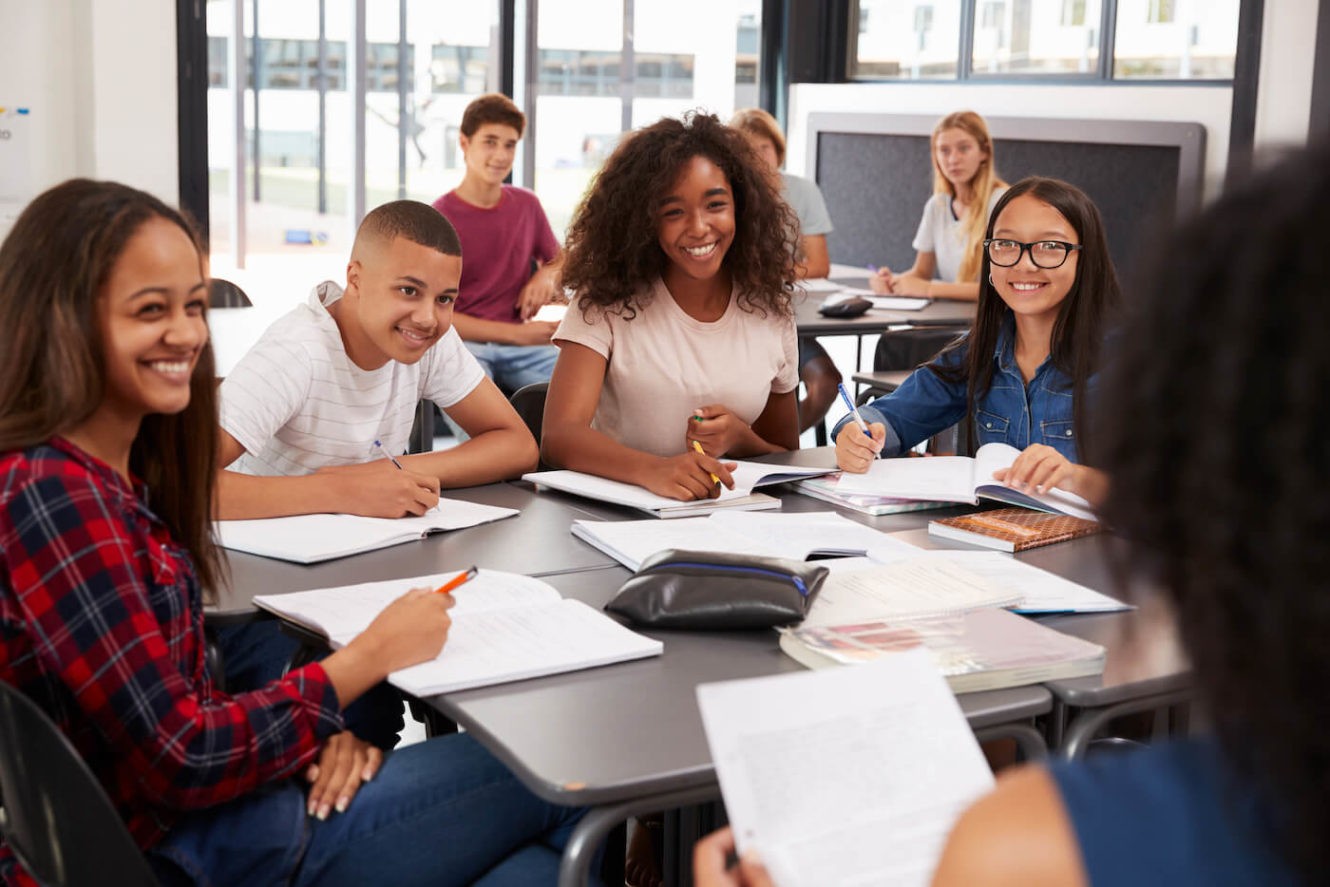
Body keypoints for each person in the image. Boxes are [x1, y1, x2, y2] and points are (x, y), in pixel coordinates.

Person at [0, 178, 585, 886]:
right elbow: (183, 753)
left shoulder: (95, 476)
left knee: (530, 866)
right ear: (65, 319)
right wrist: (360, 662)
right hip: (194, 850)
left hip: (220, 810)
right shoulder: (56, 497)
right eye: (151, 309)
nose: (187, 332)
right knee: (559, 776)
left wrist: (316, 734)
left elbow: (175, 702)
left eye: (192, 305)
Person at [217, 198, 538, 521]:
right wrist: (340, 490)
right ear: (355, 280)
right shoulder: (295, 351)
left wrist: (388, 471)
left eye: (444, 299)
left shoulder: (428, 340)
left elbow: (518, 445)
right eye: (409, 291)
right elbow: (174, 485)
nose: (428, 318)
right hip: (268, 551)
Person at [542, 111, 801, 502]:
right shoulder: (606, 301)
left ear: (741, 207)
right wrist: (654, 470)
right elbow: (559, 437)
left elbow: (787, 451)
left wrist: (739, 436)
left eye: (715, 205)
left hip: (735, 520)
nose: (698, 228)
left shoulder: (771, 308)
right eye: (673, 212)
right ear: (644, 221)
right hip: (620, 518)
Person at [834, 176, 1115, 507]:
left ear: (1085, 258)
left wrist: (1075, 478)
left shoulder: (1127, 362)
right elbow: (891, 417)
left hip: (1092, 553)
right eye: (1006, 244)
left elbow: (1168, 497)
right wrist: (856, 436)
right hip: (991, 544)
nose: (1025, 263)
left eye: (1050, 246)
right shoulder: (980, 350)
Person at [432, 93, 564, 397]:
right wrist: (518, 335)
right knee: (486, 426)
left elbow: (560, 259)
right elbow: (435, 313)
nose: (501, 155)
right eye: (490, 142)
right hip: (463, 347)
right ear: (464, 144)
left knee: (587, 392)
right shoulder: (440, 217)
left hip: (524, 350)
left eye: (510, 144)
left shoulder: (526, 205)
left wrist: (546, 274)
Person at [730, 107, 843, 436]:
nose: (756, 158)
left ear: (778, 150)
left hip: (792, 324)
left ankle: (777, 451)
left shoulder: (802, 191)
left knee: (827, 383)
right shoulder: (728, 194)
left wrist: (770, 271)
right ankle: (757, 448)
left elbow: (819, 265)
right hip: (742, 326)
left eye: (763, 148)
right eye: (746, 150)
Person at [871, 110, 1007, 301]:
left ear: (984, 152)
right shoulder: (938, 205)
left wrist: (929, 289)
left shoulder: (1002, 202)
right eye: (944, 150)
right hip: (953, 317)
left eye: (964, 148)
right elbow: (921, 272)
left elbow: (1002, 288)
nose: (953, 159)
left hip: (991, 321)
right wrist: (893, 282)